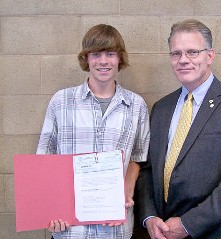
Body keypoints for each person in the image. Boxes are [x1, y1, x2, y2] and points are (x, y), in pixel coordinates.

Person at [135, 19, 221, 239]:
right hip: (160, 233)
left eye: (192, 52)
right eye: (176, 53)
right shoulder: (162, 107)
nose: (183, 60)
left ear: (210, 55)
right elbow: (148, 169)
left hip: (210, 232)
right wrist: (149, 217)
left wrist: (188, 224)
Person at [36, 24, 150, 239]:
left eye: (110, 54)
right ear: (86, 59)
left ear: (119, 58)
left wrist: (126, 191)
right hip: (69, 227)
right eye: (95, 54)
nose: (103, 61)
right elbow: (44, 157)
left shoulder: (136, 105)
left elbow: (137, 156)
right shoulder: (61, 101)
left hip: (115, 226)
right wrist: (49, 208)